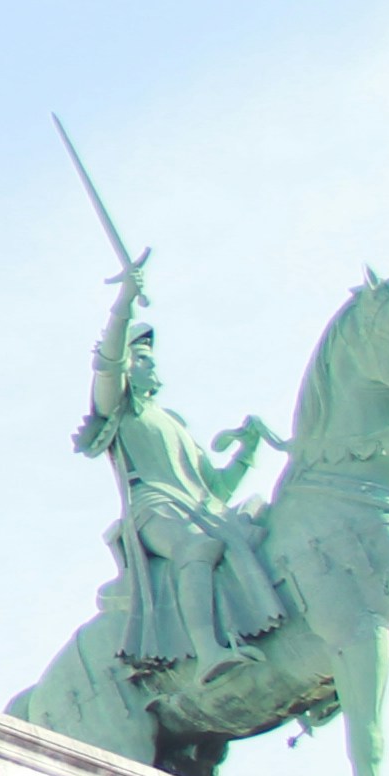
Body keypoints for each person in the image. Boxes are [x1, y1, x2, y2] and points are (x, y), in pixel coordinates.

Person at [77, 263, 285, 670]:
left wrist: (246, 452)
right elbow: (107, 364)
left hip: (198, 508)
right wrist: (123, 305)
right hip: (152, 509)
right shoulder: (120, 410)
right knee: (196, 548)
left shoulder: (173, 422)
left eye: (149, 357)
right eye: (140, 357)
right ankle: (208, 654)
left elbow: (216, 489)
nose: (149, 363)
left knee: (254, 529)